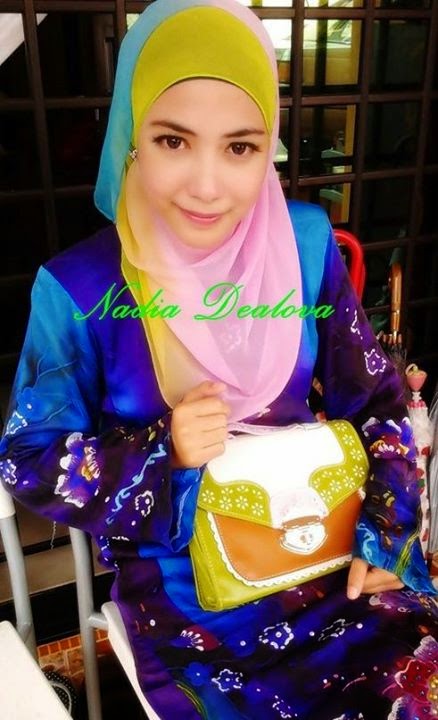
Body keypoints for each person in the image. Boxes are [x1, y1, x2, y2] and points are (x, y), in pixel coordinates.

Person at [1, 1, 437, 718]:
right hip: (193, 596)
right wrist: (162, 451)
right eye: (174, 140)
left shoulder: (302, 245)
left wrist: (387, 537)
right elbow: (29, 458)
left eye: (240, 148)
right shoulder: (79, 287)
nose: (207, 186)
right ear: (131, 136)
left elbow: (379, 400)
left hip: (332, 547)